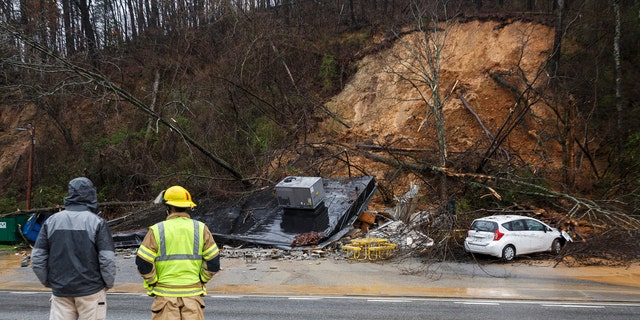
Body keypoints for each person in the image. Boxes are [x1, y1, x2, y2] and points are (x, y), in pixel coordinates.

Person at [31, 177, 116, 320]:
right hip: (91, 291)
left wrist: (49, 281)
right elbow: (107, 259)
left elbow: (37, 258)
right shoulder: (97, 222)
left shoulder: (51, 221)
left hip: (61, 291)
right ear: (91, 194)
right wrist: (107, 284)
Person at [136, 185, 220, 320]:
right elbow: (214, 262)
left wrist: (153, 281)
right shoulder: (200, 228)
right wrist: (201, 279)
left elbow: (143, 262)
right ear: (188, 206)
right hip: (192, 297)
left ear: (168, 207)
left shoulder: (158, 230)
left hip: (165, 296)